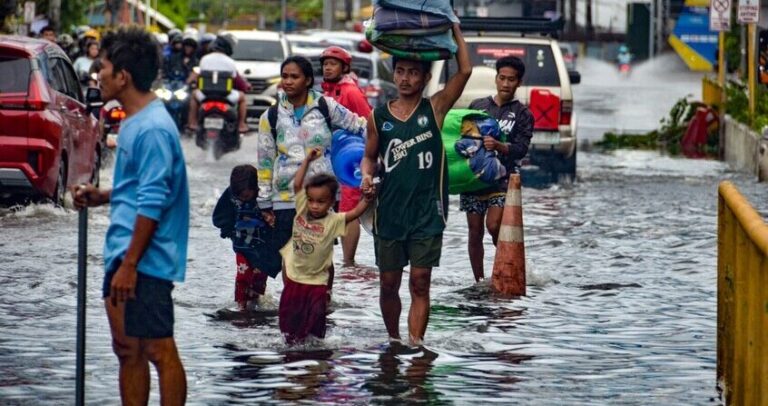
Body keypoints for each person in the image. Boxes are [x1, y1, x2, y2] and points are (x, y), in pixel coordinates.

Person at [71, 27, 189, 405]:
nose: (97, 76)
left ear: (123, 75)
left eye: (102, 68)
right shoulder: (135, 121)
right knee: (127, 350)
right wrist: (104, 196)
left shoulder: (153, 128)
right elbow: (141, 187)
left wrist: (130, 265)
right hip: (125, 252)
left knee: (158, 350)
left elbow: (154, 201)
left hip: (144, 261)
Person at [360, 23, 471, 346]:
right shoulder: (378, 117)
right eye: (401, 72)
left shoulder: (434, 109)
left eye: (413, 73)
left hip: (427, 211)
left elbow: (465, 71)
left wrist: (455, 30)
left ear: (425, 79)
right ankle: (394, 341)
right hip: (390, 212)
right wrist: (367, 176)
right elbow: (369, 158)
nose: (406, 78)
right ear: (393, 76)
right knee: (388, 284)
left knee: (421, 283)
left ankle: (416, 344)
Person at [255, 55, 368, 304]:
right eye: (285, 76)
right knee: (291, 254)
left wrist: (375, 153)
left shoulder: (326, 107)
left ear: (307, 80)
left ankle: (323, 302)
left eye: (294, 76)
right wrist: (264, 202)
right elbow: (264, 162)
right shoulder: (271, 117)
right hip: (285, 198)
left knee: (322, 251)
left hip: (323, 196)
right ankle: (294, 301)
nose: (288, 81)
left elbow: (361, 126)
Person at [279, 148, 371, 344]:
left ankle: (316, 360)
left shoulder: (334, 220)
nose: (314, 205)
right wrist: (307, 160)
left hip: (317, 284)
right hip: (295, 279)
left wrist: (368, 196)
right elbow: (297, 184)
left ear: (331, 202)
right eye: (311, 200)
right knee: (289, 326)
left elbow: (355, 213)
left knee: (316, 327)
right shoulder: (302, 209)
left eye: (320, 202)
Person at [463, 56, 534, 282]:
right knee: (475, 232)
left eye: (511, 80)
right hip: (474, 179)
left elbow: (522, 149)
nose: (505, 83)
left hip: (503, 181)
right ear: (496, 78)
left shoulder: (523, 114)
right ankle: (479, 281)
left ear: (519, 83)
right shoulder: (478, 106)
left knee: (494, 225)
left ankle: (507, 267)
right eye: (502, 78)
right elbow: (464, 137)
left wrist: (500, 146)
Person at [320, 45, 372, 267]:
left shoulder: (350, 92)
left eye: (333, 64)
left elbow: (369, 123)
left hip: (351, 160)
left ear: (344, 67)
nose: (328, 68)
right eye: (325, 64)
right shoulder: (327, 91)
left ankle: (348, 262)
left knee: (349, 210)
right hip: (332, 158)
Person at [212, 165, 281, 311]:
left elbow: (278, 216)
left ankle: (255, 303)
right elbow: (221, 214)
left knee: (259, 277)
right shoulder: (231, 194)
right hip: (242, 245)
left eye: (246, 195)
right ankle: (241, 306)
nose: (243, 198)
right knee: (243, 276)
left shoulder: (265, 195)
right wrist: (228, 231)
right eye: (240, 196)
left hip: (264, 248)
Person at [187, 33, 249, 134]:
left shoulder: (204, 59)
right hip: (226, 96)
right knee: (242, 98)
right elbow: (236, 81)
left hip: (205, 95)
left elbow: (199, 78)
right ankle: (242, 124)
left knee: (194, 96)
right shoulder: (230, 62)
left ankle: (192, 122)